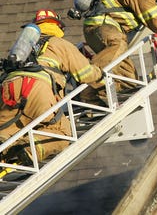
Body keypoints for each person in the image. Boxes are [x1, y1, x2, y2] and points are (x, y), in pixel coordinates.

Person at [0, 9, 103, 165]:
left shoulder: (22, 49)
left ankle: (4, 143)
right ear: (57, 26)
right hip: (37, 86)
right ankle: (28, 150)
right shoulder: (60, 43)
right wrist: (102, 75)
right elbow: (86, 73)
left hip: (8, 87)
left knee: (9, 128)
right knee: (62, 132)